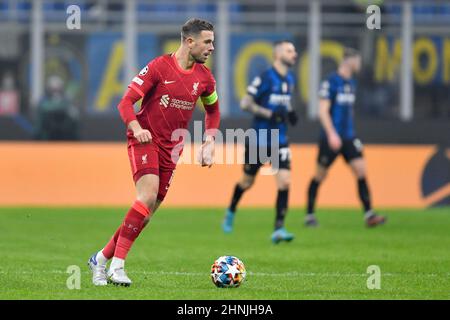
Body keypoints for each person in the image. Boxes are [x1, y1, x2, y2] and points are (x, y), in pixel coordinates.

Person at [88, 18, 220, 286]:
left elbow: (213, 111)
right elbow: (126, 103)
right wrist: (136, 128)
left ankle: (100, 259)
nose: (212, 48)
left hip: (172, 150)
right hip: (145, 139)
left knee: (144, 215)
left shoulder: (204, 78)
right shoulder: (160, 67)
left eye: (213, 42)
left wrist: (209, 141)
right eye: (207, 42)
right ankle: (117, 266)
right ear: (189, 41)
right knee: (145, 197)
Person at [222, 40, 299, 244]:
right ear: (277, 54)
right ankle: (230, 211)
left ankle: (279, 228)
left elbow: (284, 101)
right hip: (260, 139)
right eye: (289, 50)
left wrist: (289, 112)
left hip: (280, 140)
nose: (294, 54)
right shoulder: (265, 77)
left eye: (294, 50)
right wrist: (267, 113)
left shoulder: (290, 79)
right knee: (247, 181)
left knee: (285, 181)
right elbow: (245, 102)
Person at [305, 48, 386, 228]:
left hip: (348, 137)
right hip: (331, 137)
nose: (359, 64)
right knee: (320, 175)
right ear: (350, 60)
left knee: (361, 170)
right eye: (358, 60)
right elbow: (323, 111)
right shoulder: (331, 82)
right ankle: (309, 214)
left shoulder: (352, 83)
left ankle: (369, 214)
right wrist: (332, 134)